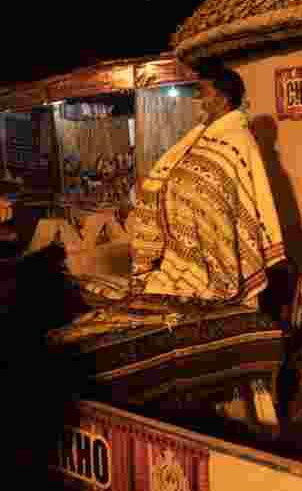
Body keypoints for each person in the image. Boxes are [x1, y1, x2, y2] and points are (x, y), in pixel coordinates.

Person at [49, 62, 286, 344]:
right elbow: (174, 173)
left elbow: (236, 193)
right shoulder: (201, 135)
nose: (199, 99)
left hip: (216, 249)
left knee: (199, 286)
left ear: (222, 99)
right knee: (153, 288)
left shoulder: (238, 141)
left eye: (204, 93)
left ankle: (218, 290)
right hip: (183, 248)